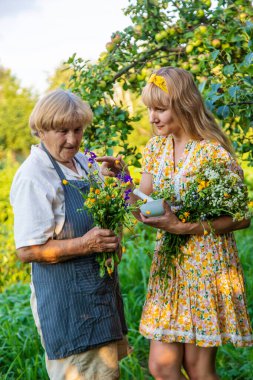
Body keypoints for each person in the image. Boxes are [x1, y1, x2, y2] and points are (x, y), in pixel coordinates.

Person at [96, 67, 252, 380]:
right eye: (149, 109)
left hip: (206, 266)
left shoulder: (213, 153)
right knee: (162, 366)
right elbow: (145, 206)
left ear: (184, 105)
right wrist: (124, 180)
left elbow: (241, 217)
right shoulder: (156, 148)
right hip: (170, 265)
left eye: (160, 108)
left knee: (198, 368)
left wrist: (184, 227)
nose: (152, 117)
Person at [10, 89, 130, 380]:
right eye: (62, 130)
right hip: (71, 309)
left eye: (78, 130)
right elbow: (27, 251)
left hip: (100, 298)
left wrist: (122, 178)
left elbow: (111, 209)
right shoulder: (34, 176)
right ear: (41, 129)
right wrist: (86, 244)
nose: (73, 140)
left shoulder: (82, 165)